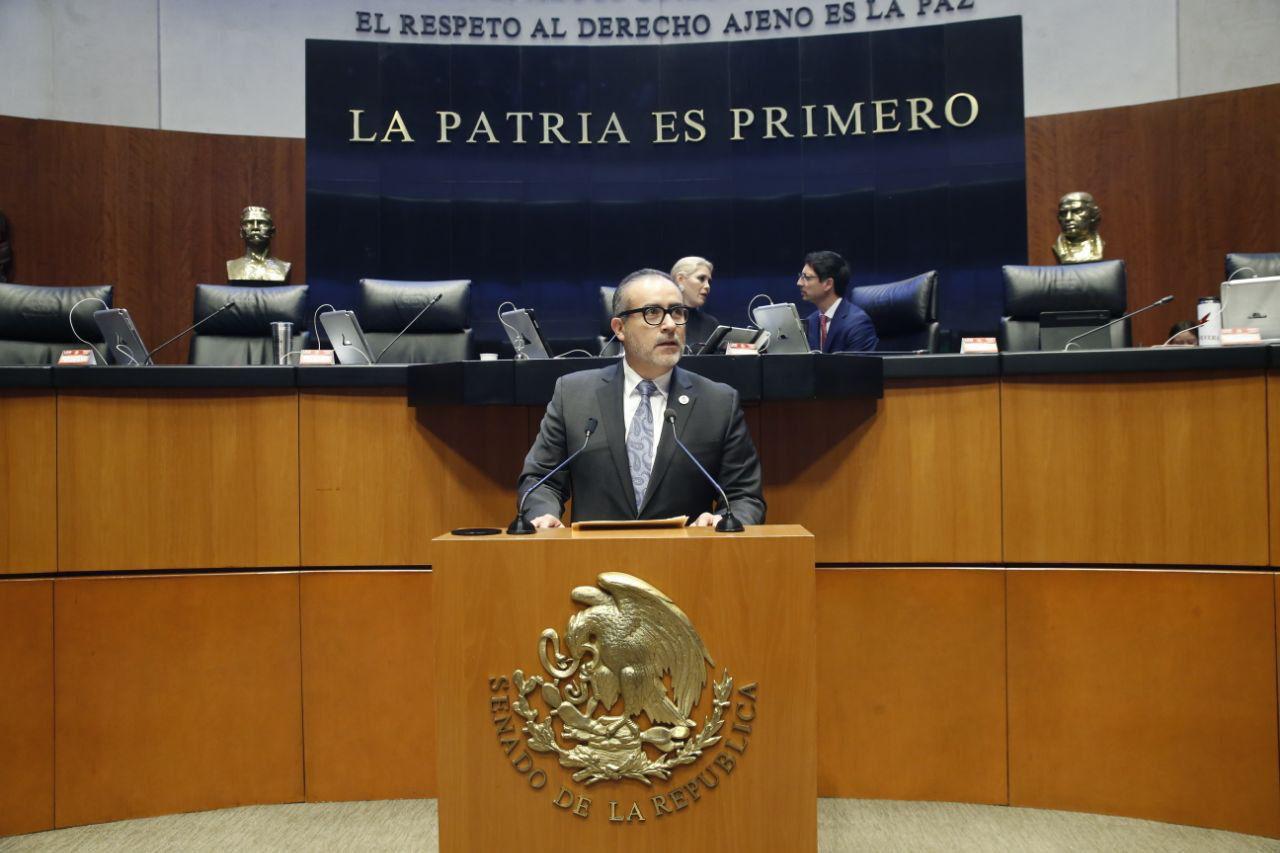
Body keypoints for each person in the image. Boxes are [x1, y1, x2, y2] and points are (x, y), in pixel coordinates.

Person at [517, 268, 766, 529]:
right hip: (594, 553)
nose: (670, 325)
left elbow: (744, 497)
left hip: (686, 553)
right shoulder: (573, 395)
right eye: (653, 312)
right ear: (620, 328)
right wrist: (544, 516)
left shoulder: (718, 402)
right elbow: (540, 480)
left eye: (677, 312)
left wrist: (724, 522)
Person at [798, 250, 878, 352]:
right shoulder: (810, 321)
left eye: (807, 278)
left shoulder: (858, 324)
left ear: (828, 284)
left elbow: (856, 362)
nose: (799, 283)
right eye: (801, 276)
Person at [226, 206, 291, 282]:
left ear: (272, 232)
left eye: (262, 223)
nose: (255, 228)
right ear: (241, 232)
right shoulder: (232, 266)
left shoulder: (284, 267)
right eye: (249, 223)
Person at [670, 256, 720, 350]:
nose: (707, 286)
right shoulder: (661, 319)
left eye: (709, 281)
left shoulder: (711, 324)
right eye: (701, 278)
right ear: (680, 279)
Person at [1052, 192, 1105, 264]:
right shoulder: (1057, 248)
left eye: (1077, 211)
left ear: (1093, 215)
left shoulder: (1100, 244)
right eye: (1063, 213)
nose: (1068, 218)